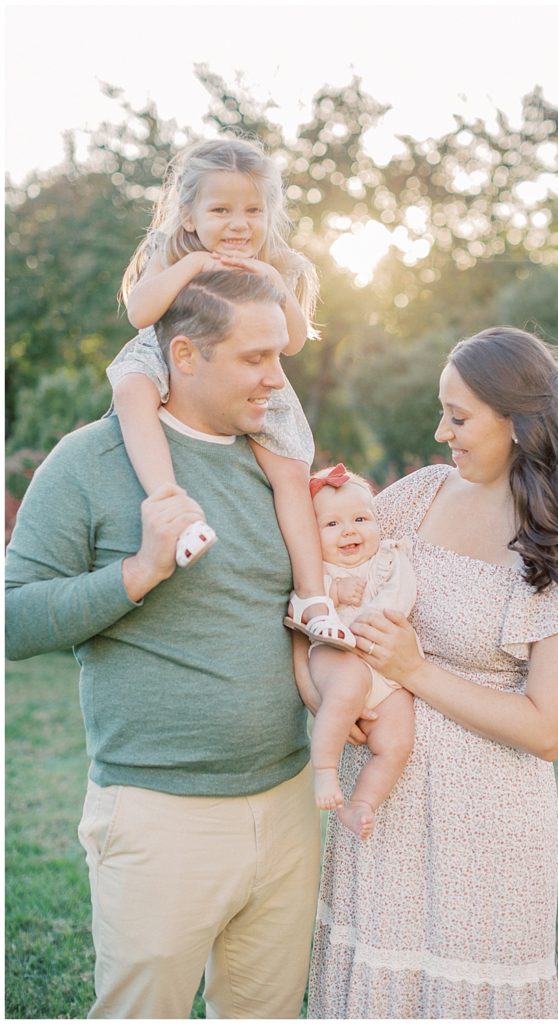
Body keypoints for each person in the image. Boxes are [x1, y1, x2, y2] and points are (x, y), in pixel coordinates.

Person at [5, 271, 322, 1020]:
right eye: (255, 359)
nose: (277, 379)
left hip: (287, 805)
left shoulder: (275, 463)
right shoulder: (89, 462)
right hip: (158, 817)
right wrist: (139, 572)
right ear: (184, 354)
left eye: (280, 355)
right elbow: (13, 620)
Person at [307, 326, 558, 1019]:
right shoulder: (420, 496)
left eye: (459, 416)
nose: (442, 431)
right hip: (382, 812)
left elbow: (550, 728)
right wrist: (330, 695)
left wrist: (414, 670)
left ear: (518, 419)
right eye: (443, 411)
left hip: (488, 833)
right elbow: (325, 581)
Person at [109, 135, 352, 647]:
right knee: (133, 393)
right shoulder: (172, 249)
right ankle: (172, 509)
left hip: (253, 368)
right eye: (221, 209)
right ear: (190, 216)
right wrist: (191, 266)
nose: (239, 224)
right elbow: (141, 314)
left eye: (252, 210)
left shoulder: (274, 264)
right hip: (165, 350)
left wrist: (269, 277)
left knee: (290, 470)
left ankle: (311, 597)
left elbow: (289, 342)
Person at [300, 464, 416, 840]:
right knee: (348, 686)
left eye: (360, 518)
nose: (349, 530)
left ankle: (362, 804)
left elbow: (402, 595)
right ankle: (324, 771)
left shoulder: (389, 558)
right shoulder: (315, 571)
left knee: (397, 741)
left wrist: (370, 612)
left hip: (383, 667)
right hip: (336, 653)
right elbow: (297, 608)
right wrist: (331, 595)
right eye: (331, 525)